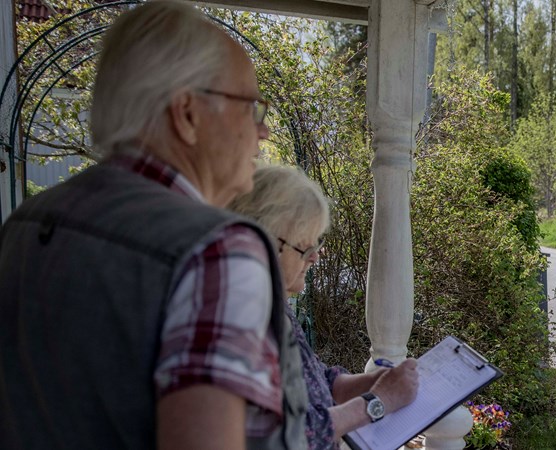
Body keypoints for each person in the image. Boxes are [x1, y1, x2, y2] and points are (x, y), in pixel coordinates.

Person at [1, 2, 302, 448]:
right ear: (187, 114)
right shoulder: (217, 251)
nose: (264, 133)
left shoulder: (23, 226)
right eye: (252, 107)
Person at [227, 165, 419, 449]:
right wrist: (378, 402)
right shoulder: (243, 317)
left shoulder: (274, 308)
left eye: (318, 244)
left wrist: (374, 381)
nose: (315, 257)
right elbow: (294, 435)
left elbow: (319, 383)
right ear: (264, 242)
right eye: (305, 248)